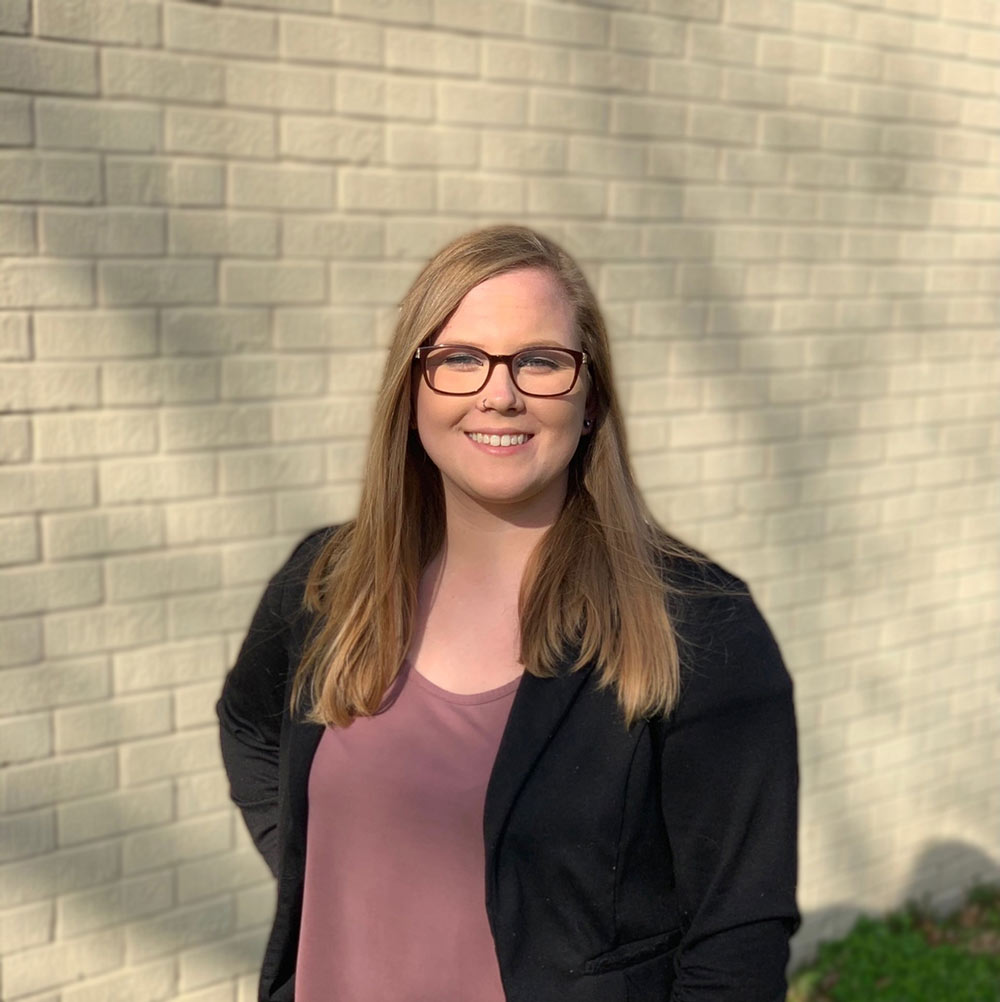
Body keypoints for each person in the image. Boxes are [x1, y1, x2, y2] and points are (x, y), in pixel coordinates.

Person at [217, 224, 799, 1002]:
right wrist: (317, 869)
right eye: (459, 358)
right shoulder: (327, 584)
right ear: (411, 391)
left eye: (541, 361)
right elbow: (249, 725)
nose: (501, 391)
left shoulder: (698, 623)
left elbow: (736, 942)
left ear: (590, 398)